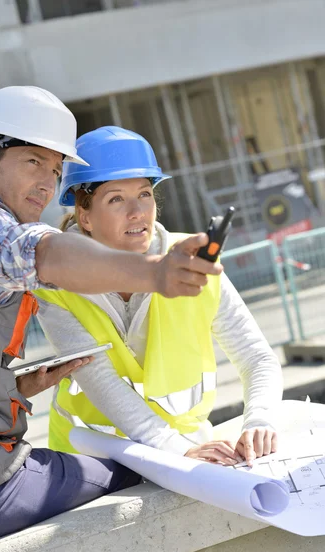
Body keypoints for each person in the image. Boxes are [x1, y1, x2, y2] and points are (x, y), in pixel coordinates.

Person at [0, 88, 223, 552]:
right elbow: (41, 251)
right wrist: (153, 272)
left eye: (56, 169)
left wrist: (12, 388)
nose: (47, 184)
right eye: (33, 163)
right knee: (141, 476)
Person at [35, 126, 283, 469]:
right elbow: (100, 381)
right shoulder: (55, 285)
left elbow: (257, 358)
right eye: (116, 199)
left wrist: (260, 419)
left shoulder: (195, 262)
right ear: (85, 215)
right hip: (91, 463)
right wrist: (174, 449)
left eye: (145, 194)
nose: (137, 211)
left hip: (184, 455)